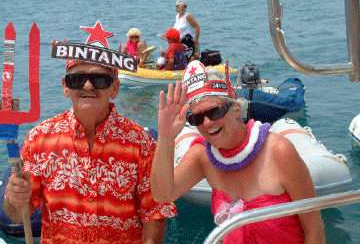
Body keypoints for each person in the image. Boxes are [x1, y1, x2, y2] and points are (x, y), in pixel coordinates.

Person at [3, 21, 177, 244]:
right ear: (66, 87)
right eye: (77, 79)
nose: (87, 86)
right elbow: (18, 214)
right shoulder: (39, 139)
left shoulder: (140, 143)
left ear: (114, 88)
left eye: (99, 80)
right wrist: (15, 198)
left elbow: (155, 211)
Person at [150, 60, 326, 243]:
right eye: (197, 118)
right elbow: (163, 195)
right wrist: (166, 135)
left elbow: (314, 227)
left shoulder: (278, 151)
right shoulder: (202, 156)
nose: (207, 123)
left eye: (215, 112)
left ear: (235, 110)